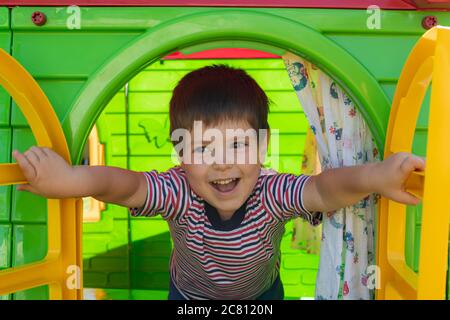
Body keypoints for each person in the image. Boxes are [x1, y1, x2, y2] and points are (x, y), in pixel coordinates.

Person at [12, 65, 425, 300]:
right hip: (189, 296)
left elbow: (324, 188)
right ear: (181, 155)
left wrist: (376, 176)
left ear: (262, 147)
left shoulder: (271, 193)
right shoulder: (179, 193)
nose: (222, 163)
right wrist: (70, 180)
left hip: (262, 295)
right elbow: (123, 185)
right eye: (204, 147)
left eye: (239, 145)